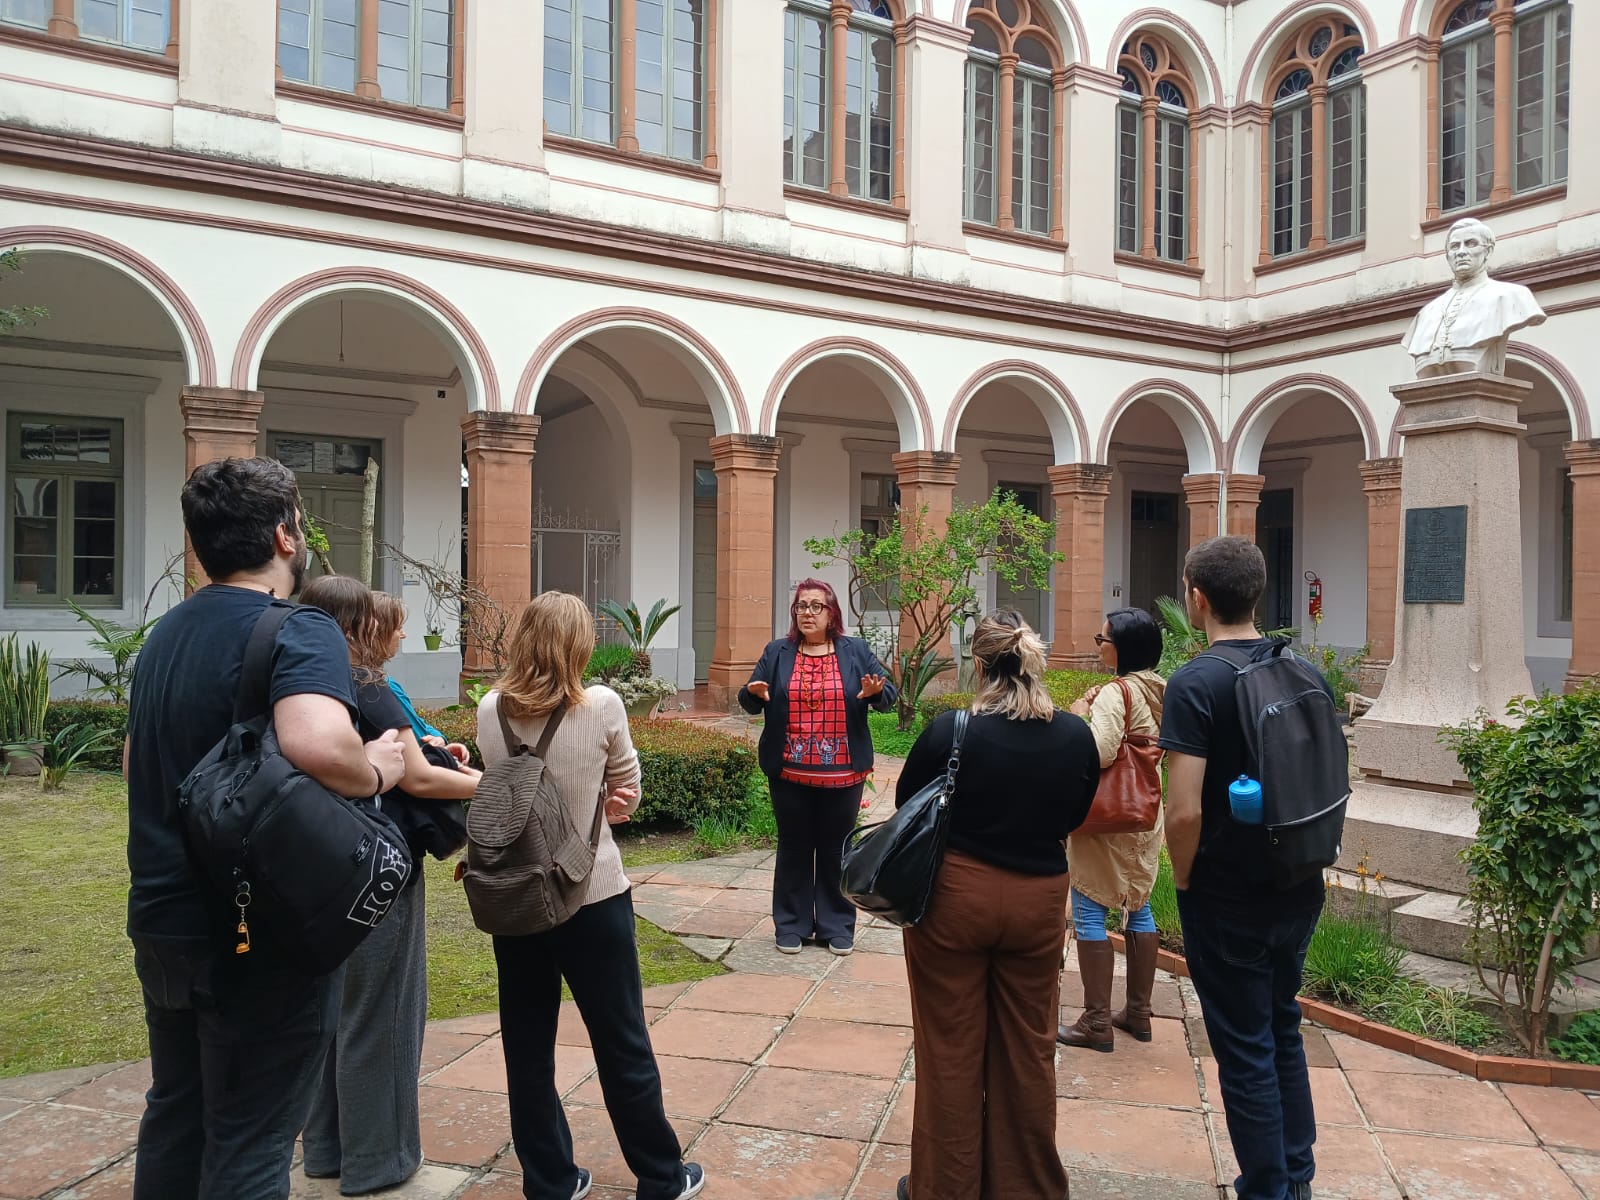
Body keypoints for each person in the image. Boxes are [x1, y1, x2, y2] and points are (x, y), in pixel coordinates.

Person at [123, 458, 406, 1200]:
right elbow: (317, 743)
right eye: (301, 522)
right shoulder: (297, 627)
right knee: (252, 1141)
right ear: (284, 536)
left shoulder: (163, 637)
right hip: (257, 933)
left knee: (176, 1114)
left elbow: (133, 762)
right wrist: (378, 765)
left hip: (162, 921)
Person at [479, 592, 705, 1200]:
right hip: (593, 893)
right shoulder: (602, 704)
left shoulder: (488, 708)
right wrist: (610, 804)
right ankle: (660, 1178)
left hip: (517, 898)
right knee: (621, 1039)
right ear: (578, 644)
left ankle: (549, 1181)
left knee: (526, 1046)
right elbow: (626, 792)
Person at [893, 610, 1100, 1200]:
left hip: (956, 898)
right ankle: (1027, 1187)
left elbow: (910, 804)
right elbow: (1075, 815)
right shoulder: (1074, 735)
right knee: (1029, 1047)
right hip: (1038, 899)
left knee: (950, 1047)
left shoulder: (950, 731)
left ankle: (945, 1187)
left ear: (979, 663)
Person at [298, 577, 482, 1195]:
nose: (392, 631)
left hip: (314, 865)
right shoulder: (364, 685)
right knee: (384, 1013)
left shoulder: (297, 687)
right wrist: (501, 784)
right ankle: (382, 1161)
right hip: (375, 867)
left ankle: (327, 1152)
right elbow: (421, 782)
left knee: (334, 1012)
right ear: (356, 628)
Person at [1160, 537, 1328, 1200]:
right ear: (1255, 594)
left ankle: (1267, 1188)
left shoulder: (1196, 682)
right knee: (1281, 1023)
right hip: (1298, 882)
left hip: (1226, 893)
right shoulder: (1303, 669)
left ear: (1197, 598)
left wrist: (1181, 880)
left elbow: (1183, 812)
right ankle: (1296, 1175)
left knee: (1244, 1045)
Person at [738, 579, 896, 955]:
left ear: (831, 613)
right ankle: (791, 924)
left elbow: (887, 698)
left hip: (843, 773)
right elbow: (750, 697)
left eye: (815, 606)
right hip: (790, 770)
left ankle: (836, 925)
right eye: (800, 607)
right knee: (794, 847)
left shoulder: (855, 650)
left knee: (836, 849)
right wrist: (753, 693)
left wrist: (877, 693)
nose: (807, 613)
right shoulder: (777, 652)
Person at [1058, 607, 1168, 1053]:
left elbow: (1100, 751)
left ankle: (1096, 1021)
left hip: (1107, 819)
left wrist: (1078, 712)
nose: (1098, 644)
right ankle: (1138, 1012)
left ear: (1121, 647)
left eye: (1102, 639)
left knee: (1088, 908)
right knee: (1137, 905)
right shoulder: (1162, 689)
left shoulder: (1114, 693)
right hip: (1145, 813)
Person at [1402, 217, 1545, 377]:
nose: (1461, 252)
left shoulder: (1511, 296)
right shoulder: (1427, 312)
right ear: (1448, 255)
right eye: (1454, 246)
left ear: (1488, 251)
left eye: (1471, 243)